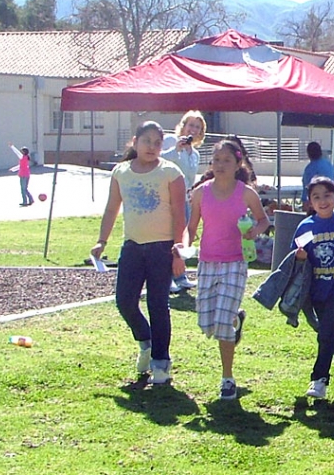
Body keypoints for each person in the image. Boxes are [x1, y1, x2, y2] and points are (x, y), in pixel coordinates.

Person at [91, 121, 186, 384]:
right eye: (147, 141)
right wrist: (101, 241)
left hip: (161, 249)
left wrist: (178, 250)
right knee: (125, 301)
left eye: (157, 142)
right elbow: (112, 208)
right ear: (135, 141)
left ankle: (160, 362)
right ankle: (145, 340)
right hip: (132, 248)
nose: (152, 147)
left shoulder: (170, 173)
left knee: (158, 304)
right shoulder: (121, 172)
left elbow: (180, 213)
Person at [186, 139, 269, 400]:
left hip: (235, 262)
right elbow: (191, 228)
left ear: (237, 164)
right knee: (206, 324)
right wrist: (183, 247)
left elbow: (263, 219)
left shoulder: (245, 193)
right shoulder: (200, 192)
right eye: (216, 160)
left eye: (226, 161)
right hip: (207, 262)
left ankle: (227, 378)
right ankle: (236, 319)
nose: (220, 165)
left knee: (221, 324)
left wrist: (255, 231)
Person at [292, 177, 334, 400]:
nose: (322, 201)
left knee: (326, 331)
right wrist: (300, 256)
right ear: (310, 202)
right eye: (316, 197)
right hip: (316, 289)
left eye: (326, 195)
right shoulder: (307, 226)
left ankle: (319, 379)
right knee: (328, 330)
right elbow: (294, 258)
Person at [162, 111, 206, 292]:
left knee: (183, 238)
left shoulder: (194, 153)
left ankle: (179, 275)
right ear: (184, 125)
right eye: (191, 125)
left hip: (186, 199)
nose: (193, 130)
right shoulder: (171, 142)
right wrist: (176, 150)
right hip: (170, 198)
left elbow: (190, 178)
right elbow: (160, 159)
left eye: (197, 127)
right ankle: (166, 277)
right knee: (169, 237)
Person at [300, 141, 334, 213]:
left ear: (308, 153)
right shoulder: (328, 164)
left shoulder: (310, 168)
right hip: (330, 200)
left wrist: (305, 205)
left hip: (316, 205)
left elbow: (307, 189)